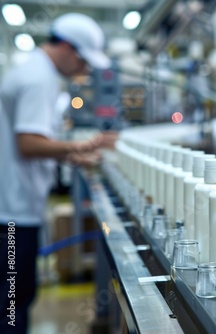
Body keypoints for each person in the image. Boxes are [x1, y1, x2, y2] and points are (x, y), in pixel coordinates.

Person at [0, 13, 116, 333]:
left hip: (16, 206)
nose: (84, 69)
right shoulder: (40, 78)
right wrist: (79, 147)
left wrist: (74, 155)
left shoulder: (35, 71)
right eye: (82, 60)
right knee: (11, 302)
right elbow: (29, 143)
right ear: (66, 46)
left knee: (15, 297)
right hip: (12, 213)